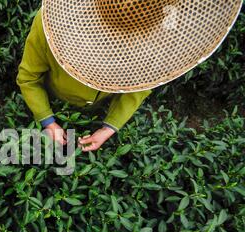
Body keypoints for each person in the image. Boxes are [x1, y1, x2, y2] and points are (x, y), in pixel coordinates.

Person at [17, 0, 242, 152]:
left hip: (102, 106)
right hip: (55, 97)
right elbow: (28, 78)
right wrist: (48, 120)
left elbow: (141, 84)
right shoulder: (53, 25)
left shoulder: (163, 35)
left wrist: (109, 127)